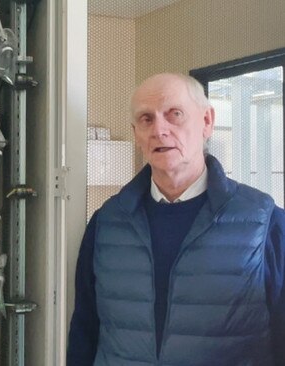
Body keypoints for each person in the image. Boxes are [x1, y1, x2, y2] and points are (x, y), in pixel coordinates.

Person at [67, 73, 285, 365]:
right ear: (136, 133)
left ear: (207, 121)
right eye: (146, 119)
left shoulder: (264, 223)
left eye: (175, 115)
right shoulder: (106, 224)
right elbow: (85, 331)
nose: (160, 129)